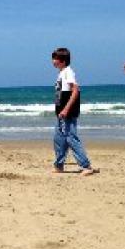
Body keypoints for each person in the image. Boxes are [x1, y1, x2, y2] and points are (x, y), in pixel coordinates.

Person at [51, 48, 94, 176]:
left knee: (71, 138)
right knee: (59, 139)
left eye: (55, 59)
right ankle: (59, 165)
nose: (53, 61)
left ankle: (86, 166)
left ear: (63, 61)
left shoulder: (68, 72)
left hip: (67, 112)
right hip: (61, 112)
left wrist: (66, 109)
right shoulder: (61, 73)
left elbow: (75, 90)